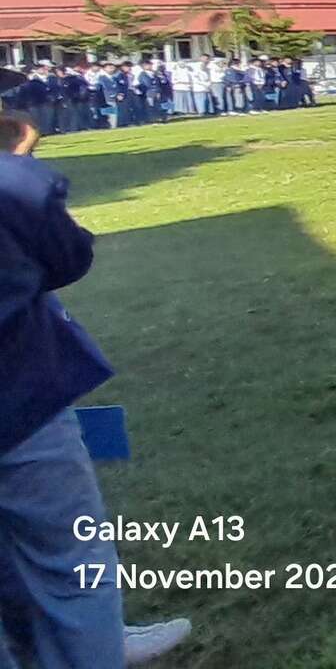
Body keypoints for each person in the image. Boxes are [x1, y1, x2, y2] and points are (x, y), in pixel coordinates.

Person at [0, 88, 194, 668]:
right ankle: (92, 644)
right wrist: (18, 162)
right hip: (16, 400)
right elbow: (68, 256)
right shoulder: (10, 184)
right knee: (69, 557)